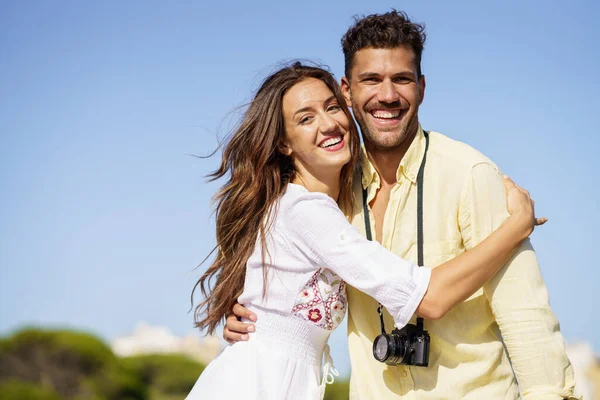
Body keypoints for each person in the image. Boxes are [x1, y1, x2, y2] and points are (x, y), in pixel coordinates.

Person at [224, 10, 576, 400]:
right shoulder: (330, 190)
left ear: (421, 88)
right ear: (347, 91)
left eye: (402, 80)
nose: (388, 95)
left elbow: (525, 316)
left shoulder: (470, 173)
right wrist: (250, 314)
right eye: (371, 80)